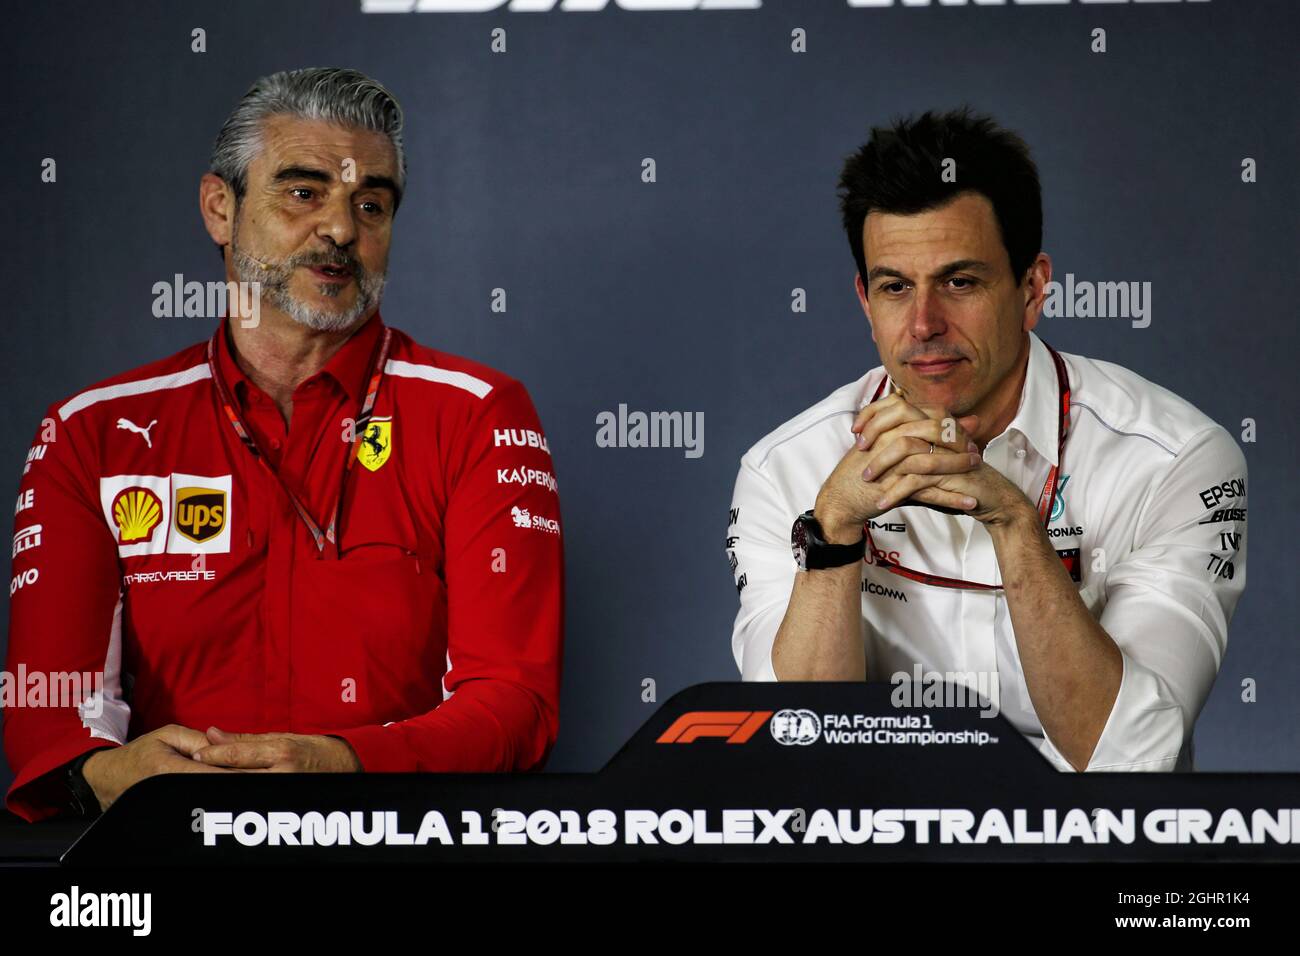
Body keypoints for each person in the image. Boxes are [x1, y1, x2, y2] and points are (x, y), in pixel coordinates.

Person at [4, 68, 564, 821]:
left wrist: (345, 764)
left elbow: (515, 705)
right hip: (169, 867)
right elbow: (52, 713)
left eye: (370, 204)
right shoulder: (92, 430)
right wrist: (111, 774)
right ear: (219, 209)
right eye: (303, 193)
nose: (340, 230)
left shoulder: (478, 413)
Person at [724, 108, 1246, 772]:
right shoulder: (785, 469)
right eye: (894, 287)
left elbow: (1131, 760)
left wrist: (1012, 522)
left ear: (1032, 289)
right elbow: (791, 759)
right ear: (864, 300)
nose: (923, 324)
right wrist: (831, 536)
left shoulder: (1176, 459)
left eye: (960, 282)